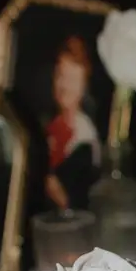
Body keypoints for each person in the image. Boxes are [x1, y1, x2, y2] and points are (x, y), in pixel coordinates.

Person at [43, 33, 102, 209]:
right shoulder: (49, 125)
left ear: (84, 84)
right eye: (60, 75)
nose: (64, 86)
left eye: (73, 79)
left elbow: (75, 207)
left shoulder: (85, 141)